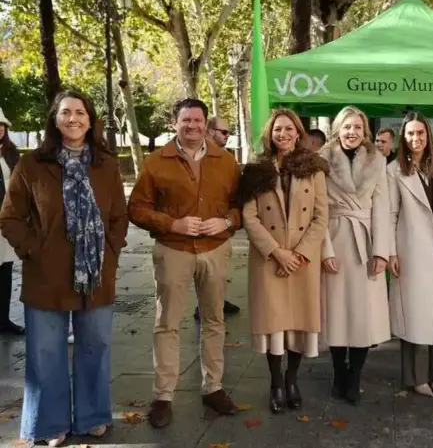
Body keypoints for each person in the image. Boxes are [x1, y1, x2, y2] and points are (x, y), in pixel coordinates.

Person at [0, 91, 128, 446]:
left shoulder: (107, 164)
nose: (74, 119)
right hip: (47, 274)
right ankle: (49, 423)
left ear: (91, 119)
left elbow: (119, 216)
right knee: (45, 352)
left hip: (96, 275)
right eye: (66, 112)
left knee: (95, 347)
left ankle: (92, 416)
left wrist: (112, 251)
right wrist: (33, 250)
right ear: (54, 119)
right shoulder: (32, 165)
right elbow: (10, 217)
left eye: (81, 112)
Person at [128, 98, 242, 428]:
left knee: (214, 320)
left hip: (215, 249)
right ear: (174, 124)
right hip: (173, 249)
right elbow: (137, 209)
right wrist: (171, 224)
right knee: (168, 323)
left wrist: (226, 222)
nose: (192, 126)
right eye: (185, 120)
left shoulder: (226, 161)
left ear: (206, 125)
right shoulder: (155, 162)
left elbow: (241, 206)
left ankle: (214, 388)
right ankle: (163, 395)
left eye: (197, 121)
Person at [237, 109, 329, 414]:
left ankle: (292, 380)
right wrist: (277, 252)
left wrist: (300, 253)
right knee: (274, 324)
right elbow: (249, 217)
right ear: (270, 133)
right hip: (270, 259)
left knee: (299, 324)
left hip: (303, 260)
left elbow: (321, 216)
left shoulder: (314, 168)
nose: (284, 134)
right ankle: (276, 382)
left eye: (289, 129)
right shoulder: (256, 169)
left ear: (299, 133)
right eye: (278, 129)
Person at [319, 106, 390, 405]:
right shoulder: (321, 161)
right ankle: (338, 373)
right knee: (337, 314)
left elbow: (383, 208)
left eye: (357, 128)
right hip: (335, 239)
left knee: (363, 316)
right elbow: (317, 209)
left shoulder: (378, 161)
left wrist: (382, 251)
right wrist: (324, 250)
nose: (352, 132)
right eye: (347, 127)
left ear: (365, 132)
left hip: (365, 242)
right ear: (338, 129)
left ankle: (355, 375)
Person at [387, 112, 433, 397]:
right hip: (412, 251)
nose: (416, 139)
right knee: (414, 314)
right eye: (410, 134)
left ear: (428, 135)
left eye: (420, 133)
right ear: (403, 138)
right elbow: (391, 212)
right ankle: (415, 377)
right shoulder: (394, 170)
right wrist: (391, 251)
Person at [188, 116, 240, 321]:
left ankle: (215, 301)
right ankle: (205, 305)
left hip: (219, 236)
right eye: (224, 132)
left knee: (216, 279)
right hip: (188, 238)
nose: (227, 136)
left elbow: (237, 199)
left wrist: (227, 222)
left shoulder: (227, 161)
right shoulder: (191, 157)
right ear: (209, 131)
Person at [0, 107, 23, 335]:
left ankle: (4, 319)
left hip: (6, 219)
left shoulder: (11, 153)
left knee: (5, 270)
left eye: (1, 126)